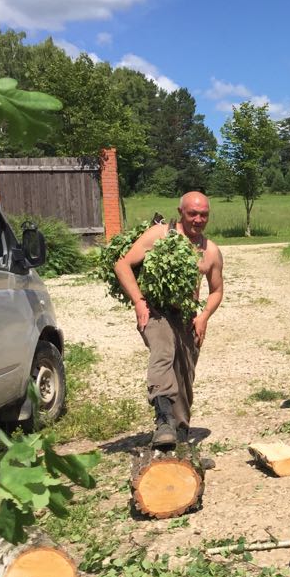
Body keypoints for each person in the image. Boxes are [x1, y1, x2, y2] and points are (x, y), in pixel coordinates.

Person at [114, 191, 224, 448]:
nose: (198, 219)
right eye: (192, 214)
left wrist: (204, 315)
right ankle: (164, 419)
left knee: (185, 375)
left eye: (203, 215)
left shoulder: (210, 251)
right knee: (164, 351)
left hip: (187, 316)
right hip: (155, 310)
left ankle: (181, 439)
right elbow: (122, 265)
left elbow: (217, 290)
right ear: (180, 212)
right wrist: (139, 302)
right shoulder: (160, 235)